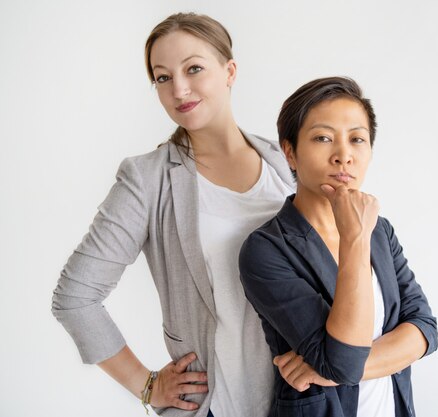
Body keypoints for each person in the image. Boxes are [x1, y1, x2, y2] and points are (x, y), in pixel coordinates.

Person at [51, 12, 293, 417]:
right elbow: (75, 297)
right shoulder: (147, 180)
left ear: (229, 70)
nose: (179, 88)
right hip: (221, 405)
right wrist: (145, 384)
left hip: (308, 401)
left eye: (193, 68)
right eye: (162, 77)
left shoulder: (285, 162)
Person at [239, 76, 438, 417]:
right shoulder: (267, 249)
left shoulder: (380, 231)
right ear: (290, 152)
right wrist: (354, 238)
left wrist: (334, 371)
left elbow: (424, 329)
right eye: (323, 138)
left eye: (357, 139)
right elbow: (343, 360)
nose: (343, 156)